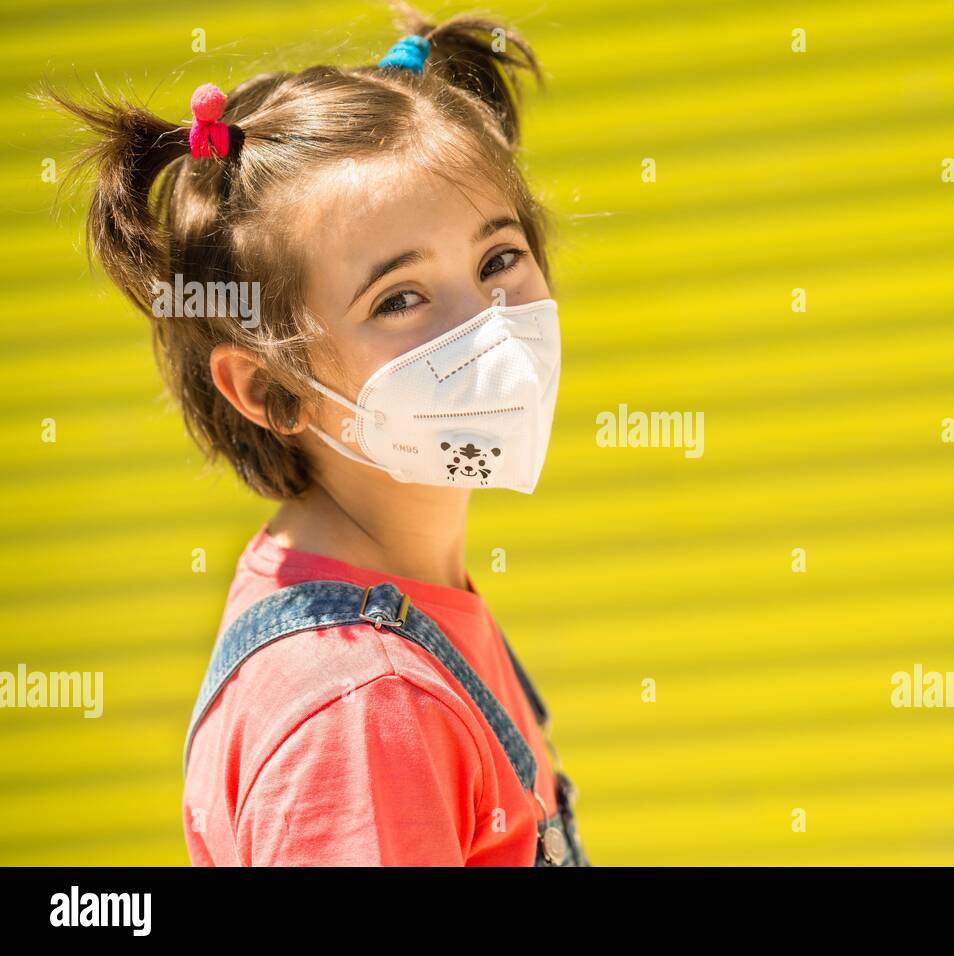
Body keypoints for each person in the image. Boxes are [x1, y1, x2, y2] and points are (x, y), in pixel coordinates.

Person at [46, 5, 589, 866]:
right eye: (399, 300)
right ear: (269, 389)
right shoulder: (361, 704)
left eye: (496, 261)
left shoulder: (405, 595)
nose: (485, 325)